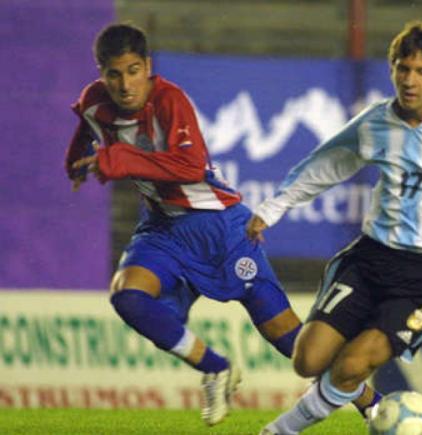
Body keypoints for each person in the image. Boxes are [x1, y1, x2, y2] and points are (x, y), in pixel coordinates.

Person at [65, 23, 378, 427]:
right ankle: (215, 368)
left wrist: (117, 158)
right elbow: (86, 129)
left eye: (133, 70)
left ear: (147, 67)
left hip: (220, 230)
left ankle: (373, 403)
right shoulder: (95, 102)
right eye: (113, 74)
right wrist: (75, 161)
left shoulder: (169, 100)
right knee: (127, 296)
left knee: (288, 339)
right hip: (163, 231)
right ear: (101, 73)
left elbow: (189, 166)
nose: (125, 84)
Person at [251, 20, 422, 435]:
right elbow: (329, 161)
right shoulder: (376, 122)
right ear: (392, 70)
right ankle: (368, 404)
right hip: (372, 258)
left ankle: (279, 431)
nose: (410, 80)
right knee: (308, 360)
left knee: (352, 363)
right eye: (403, 69)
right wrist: (276, 205)